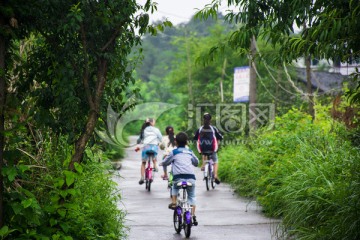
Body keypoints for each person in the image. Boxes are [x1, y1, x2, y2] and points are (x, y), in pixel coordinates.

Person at [161, 132, 199, 226]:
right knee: (192, 197)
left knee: (174, 186)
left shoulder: (173, 152)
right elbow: (196, 162)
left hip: (178, 179)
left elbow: (165, 162)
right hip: (191, 178)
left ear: (176, 142)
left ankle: (174, 202)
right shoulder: (190, 152)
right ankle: (193, 215)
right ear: (186, 142)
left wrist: (163, 163)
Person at [193, 112, 223, 184]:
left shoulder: (200, 129)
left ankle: (205, 165)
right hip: (212, 149)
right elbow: (220, 137)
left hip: (202, 149)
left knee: (207, 156)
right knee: (215, 161)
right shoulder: (213, 128)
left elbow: (195, 138)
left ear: (203, 120)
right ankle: (215, 175)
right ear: (210, 120)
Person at [136, 118, 162, 185]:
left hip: (146, 147)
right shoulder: (156, 130)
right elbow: (160, 138)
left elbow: (139, 140)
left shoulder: (143, 130)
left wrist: (139, 143)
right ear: (152, 123)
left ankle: (142, 177)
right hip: (154, 147)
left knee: (143, 162)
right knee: (154, 155)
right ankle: (155, 166)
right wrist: (158, 142)